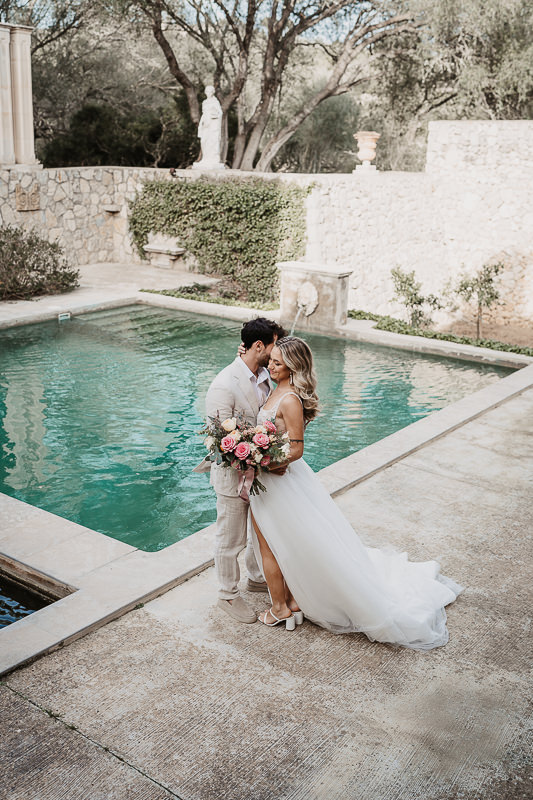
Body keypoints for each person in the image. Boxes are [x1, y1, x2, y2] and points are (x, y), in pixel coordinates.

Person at [249, 336, 463, 649]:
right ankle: (293, 602)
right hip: (271, 479)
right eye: (272, 359)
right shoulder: (274, 389)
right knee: (286, 544)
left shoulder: (290, 400)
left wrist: (261, 461)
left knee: (271, 547)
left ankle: (279, 609)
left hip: (277, 479)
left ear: (293, 367)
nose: (271, 365)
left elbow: (296, 449)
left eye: (278, 362)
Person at [201, 317, 287, 624]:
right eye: (276, 345)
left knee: (257, 534)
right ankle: (227, 593)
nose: (280, 352)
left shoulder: (266, 373)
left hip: (261, 474)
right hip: (232, 476)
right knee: (231, 537)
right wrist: (249, 449)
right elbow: (217, 440)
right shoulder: (224, 385)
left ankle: (254, 576)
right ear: (260, 346)